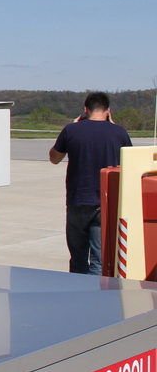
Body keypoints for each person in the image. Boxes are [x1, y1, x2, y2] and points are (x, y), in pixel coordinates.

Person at [49, 92, 132, 274]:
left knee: (78, 258)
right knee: (99, 261)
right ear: (108, 111)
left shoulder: (71, 130)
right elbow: (129, 164)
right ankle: (95, 290)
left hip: (78, 200)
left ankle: (77, 289)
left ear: (85, 110)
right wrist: (113, 127)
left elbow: (54, 158)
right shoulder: (119, 133)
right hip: (105, 202)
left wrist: (72, 127)